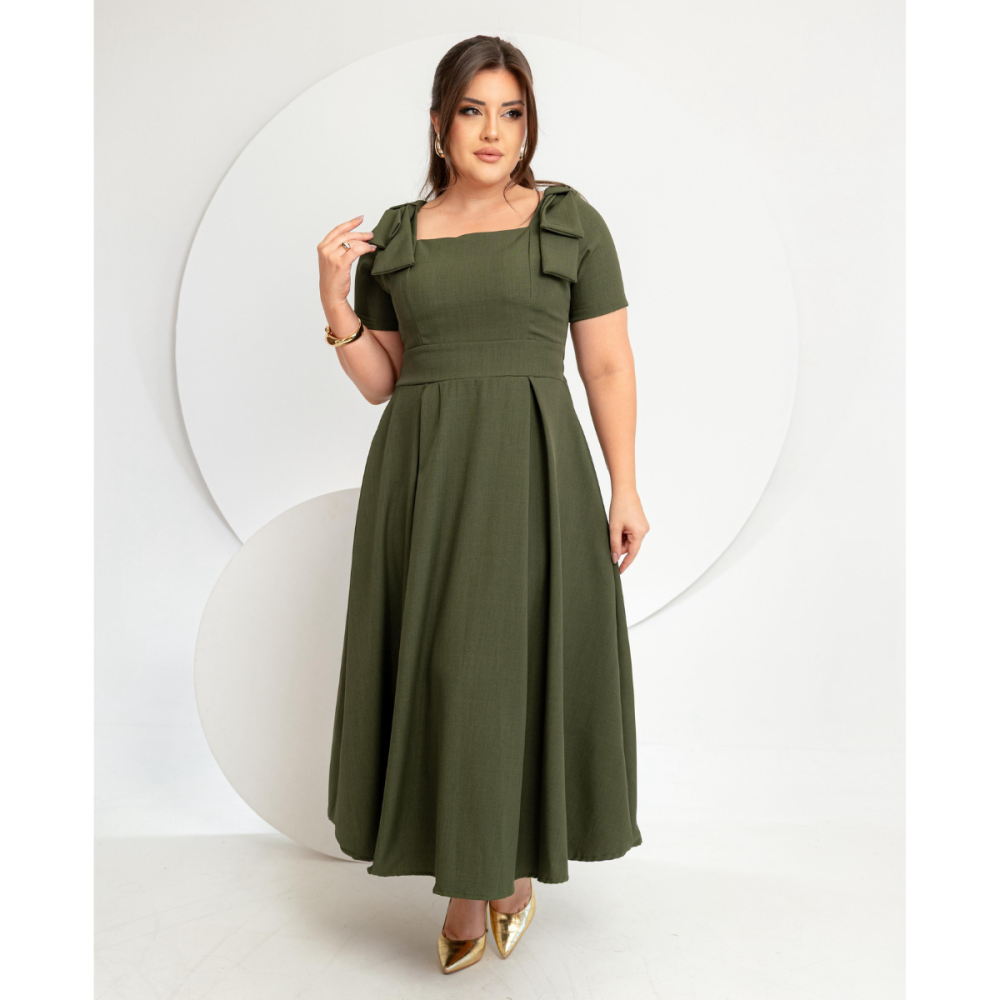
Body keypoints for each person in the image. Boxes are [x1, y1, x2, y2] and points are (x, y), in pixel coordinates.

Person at [319, 34, 649, 974]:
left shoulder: (568, 221)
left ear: (529, 123)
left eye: (511, 112)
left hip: (536, 471)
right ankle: (473, 878)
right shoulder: (398, 235)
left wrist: (625, 484)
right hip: (423, 475)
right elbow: (382, 381)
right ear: (439, 123)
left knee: (514, 666)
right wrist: (336, 303)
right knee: (447, 670)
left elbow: (607, 364)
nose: (493, 131)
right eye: (473, 111)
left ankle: (508, 871)